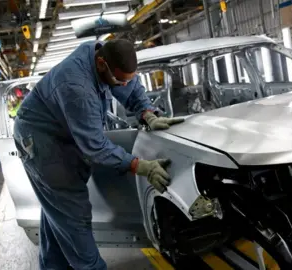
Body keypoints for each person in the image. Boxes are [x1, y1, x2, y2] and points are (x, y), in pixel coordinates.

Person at [12, 39, 184, 270]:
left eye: (128, 79)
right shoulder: (77, 88)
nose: (124, 85)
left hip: (61, 130)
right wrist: (140, 166)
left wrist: (147, 113)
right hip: (41, 141)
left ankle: (52, 266)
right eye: (119, 81)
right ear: (101, 64)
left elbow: (130, 87)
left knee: (57, 211)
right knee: (73, 213)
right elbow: (95, 146)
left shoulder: (105, 58)